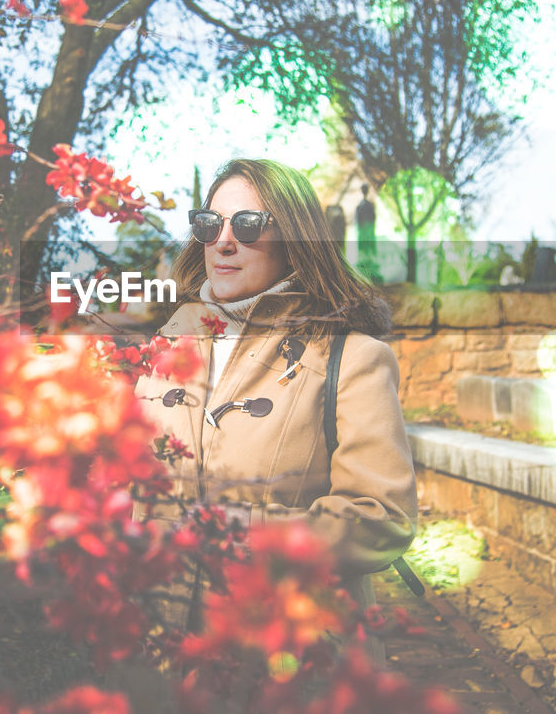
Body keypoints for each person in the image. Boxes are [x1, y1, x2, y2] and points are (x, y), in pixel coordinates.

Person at [133, 158, 417, 657]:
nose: (222, 241)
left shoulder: (351, 358)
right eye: (209, 223)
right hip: (162, 657)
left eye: (246, 225)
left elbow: (382, 520)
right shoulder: (168, 345)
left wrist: (239, 532)